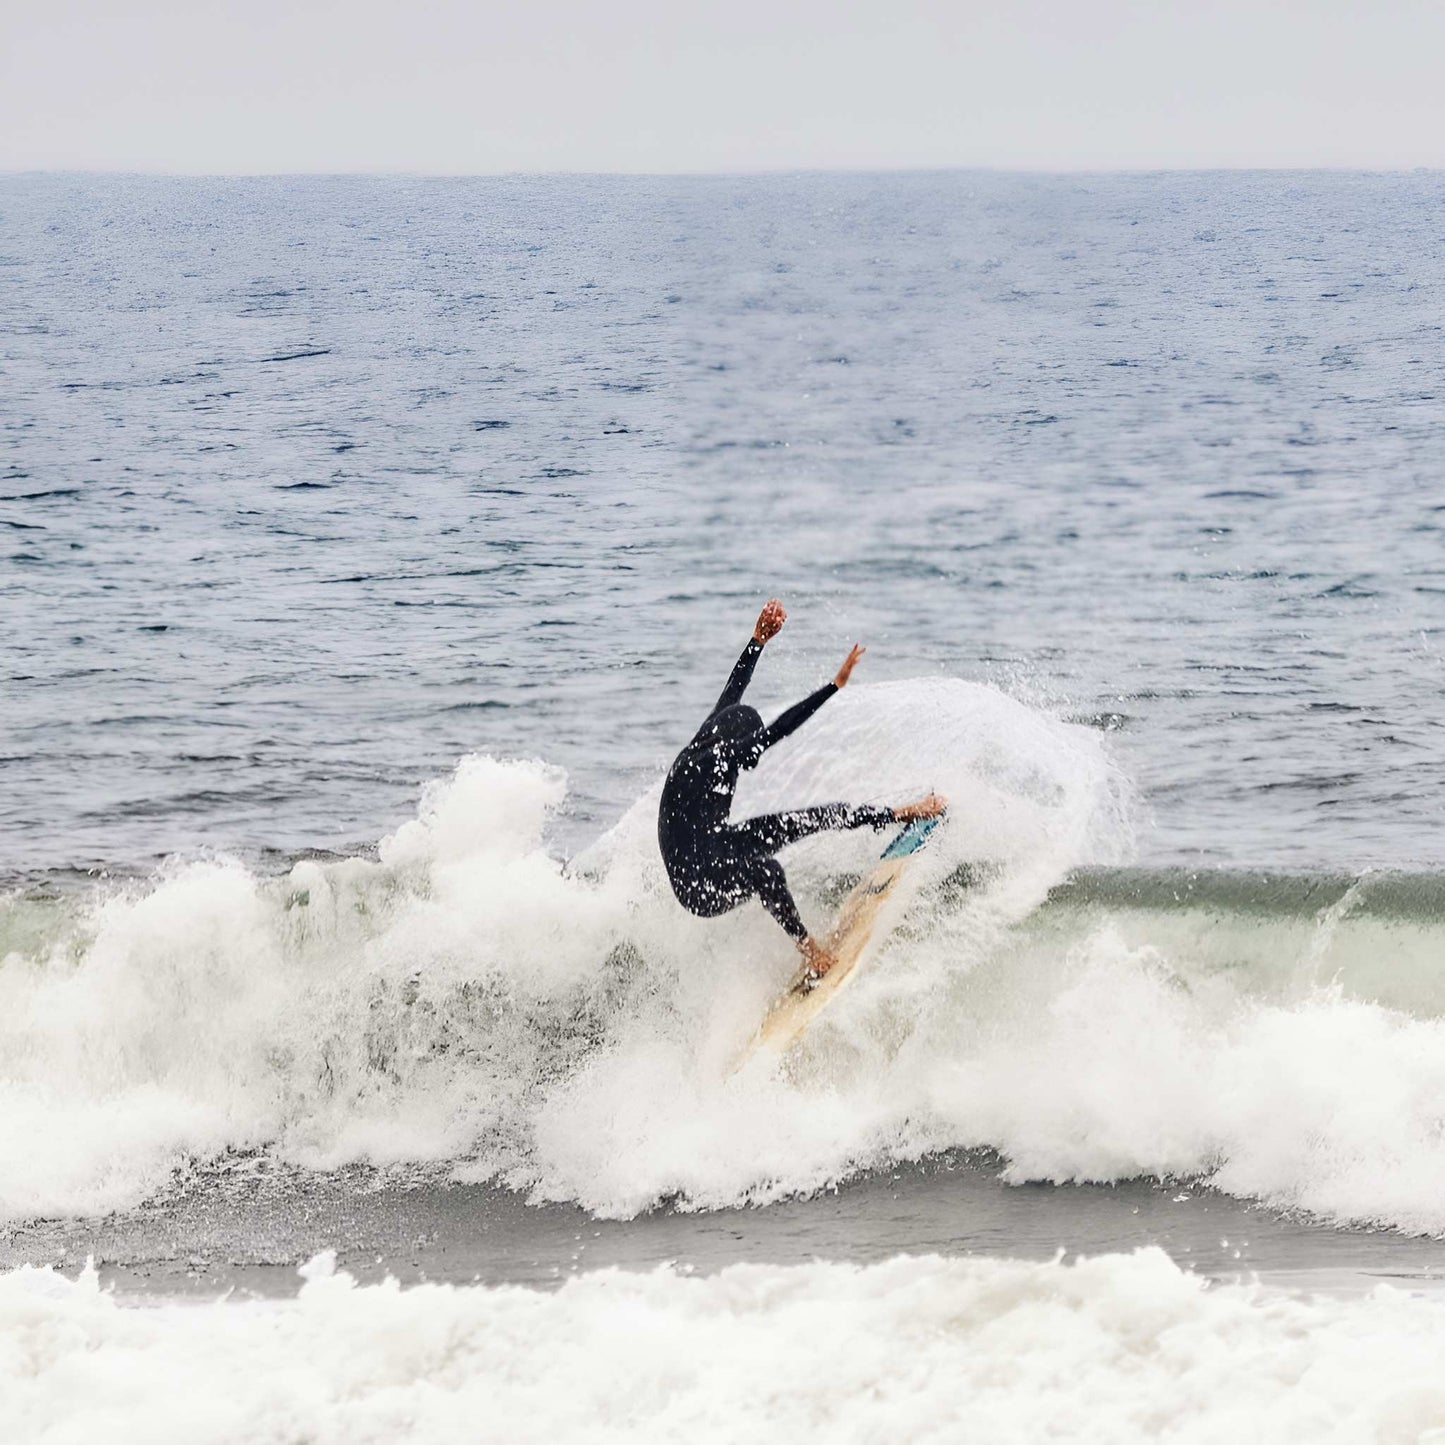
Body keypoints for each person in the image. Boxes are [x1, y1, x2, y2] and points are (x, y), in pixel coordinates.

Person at [657, 599, 945, 976]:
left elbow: (733, 691)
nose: (753, 763)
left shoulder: (713, 732)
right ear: (735, 746)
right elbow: (782, 728)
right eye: (750, 752)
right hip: (697, 884)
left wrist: (757, 641)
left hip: (715, 844)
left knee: (805, 819)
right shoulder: (716, 759)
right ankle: (812, 952)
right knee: (768, 872)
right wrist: (834, 686)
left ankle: (896, 813)